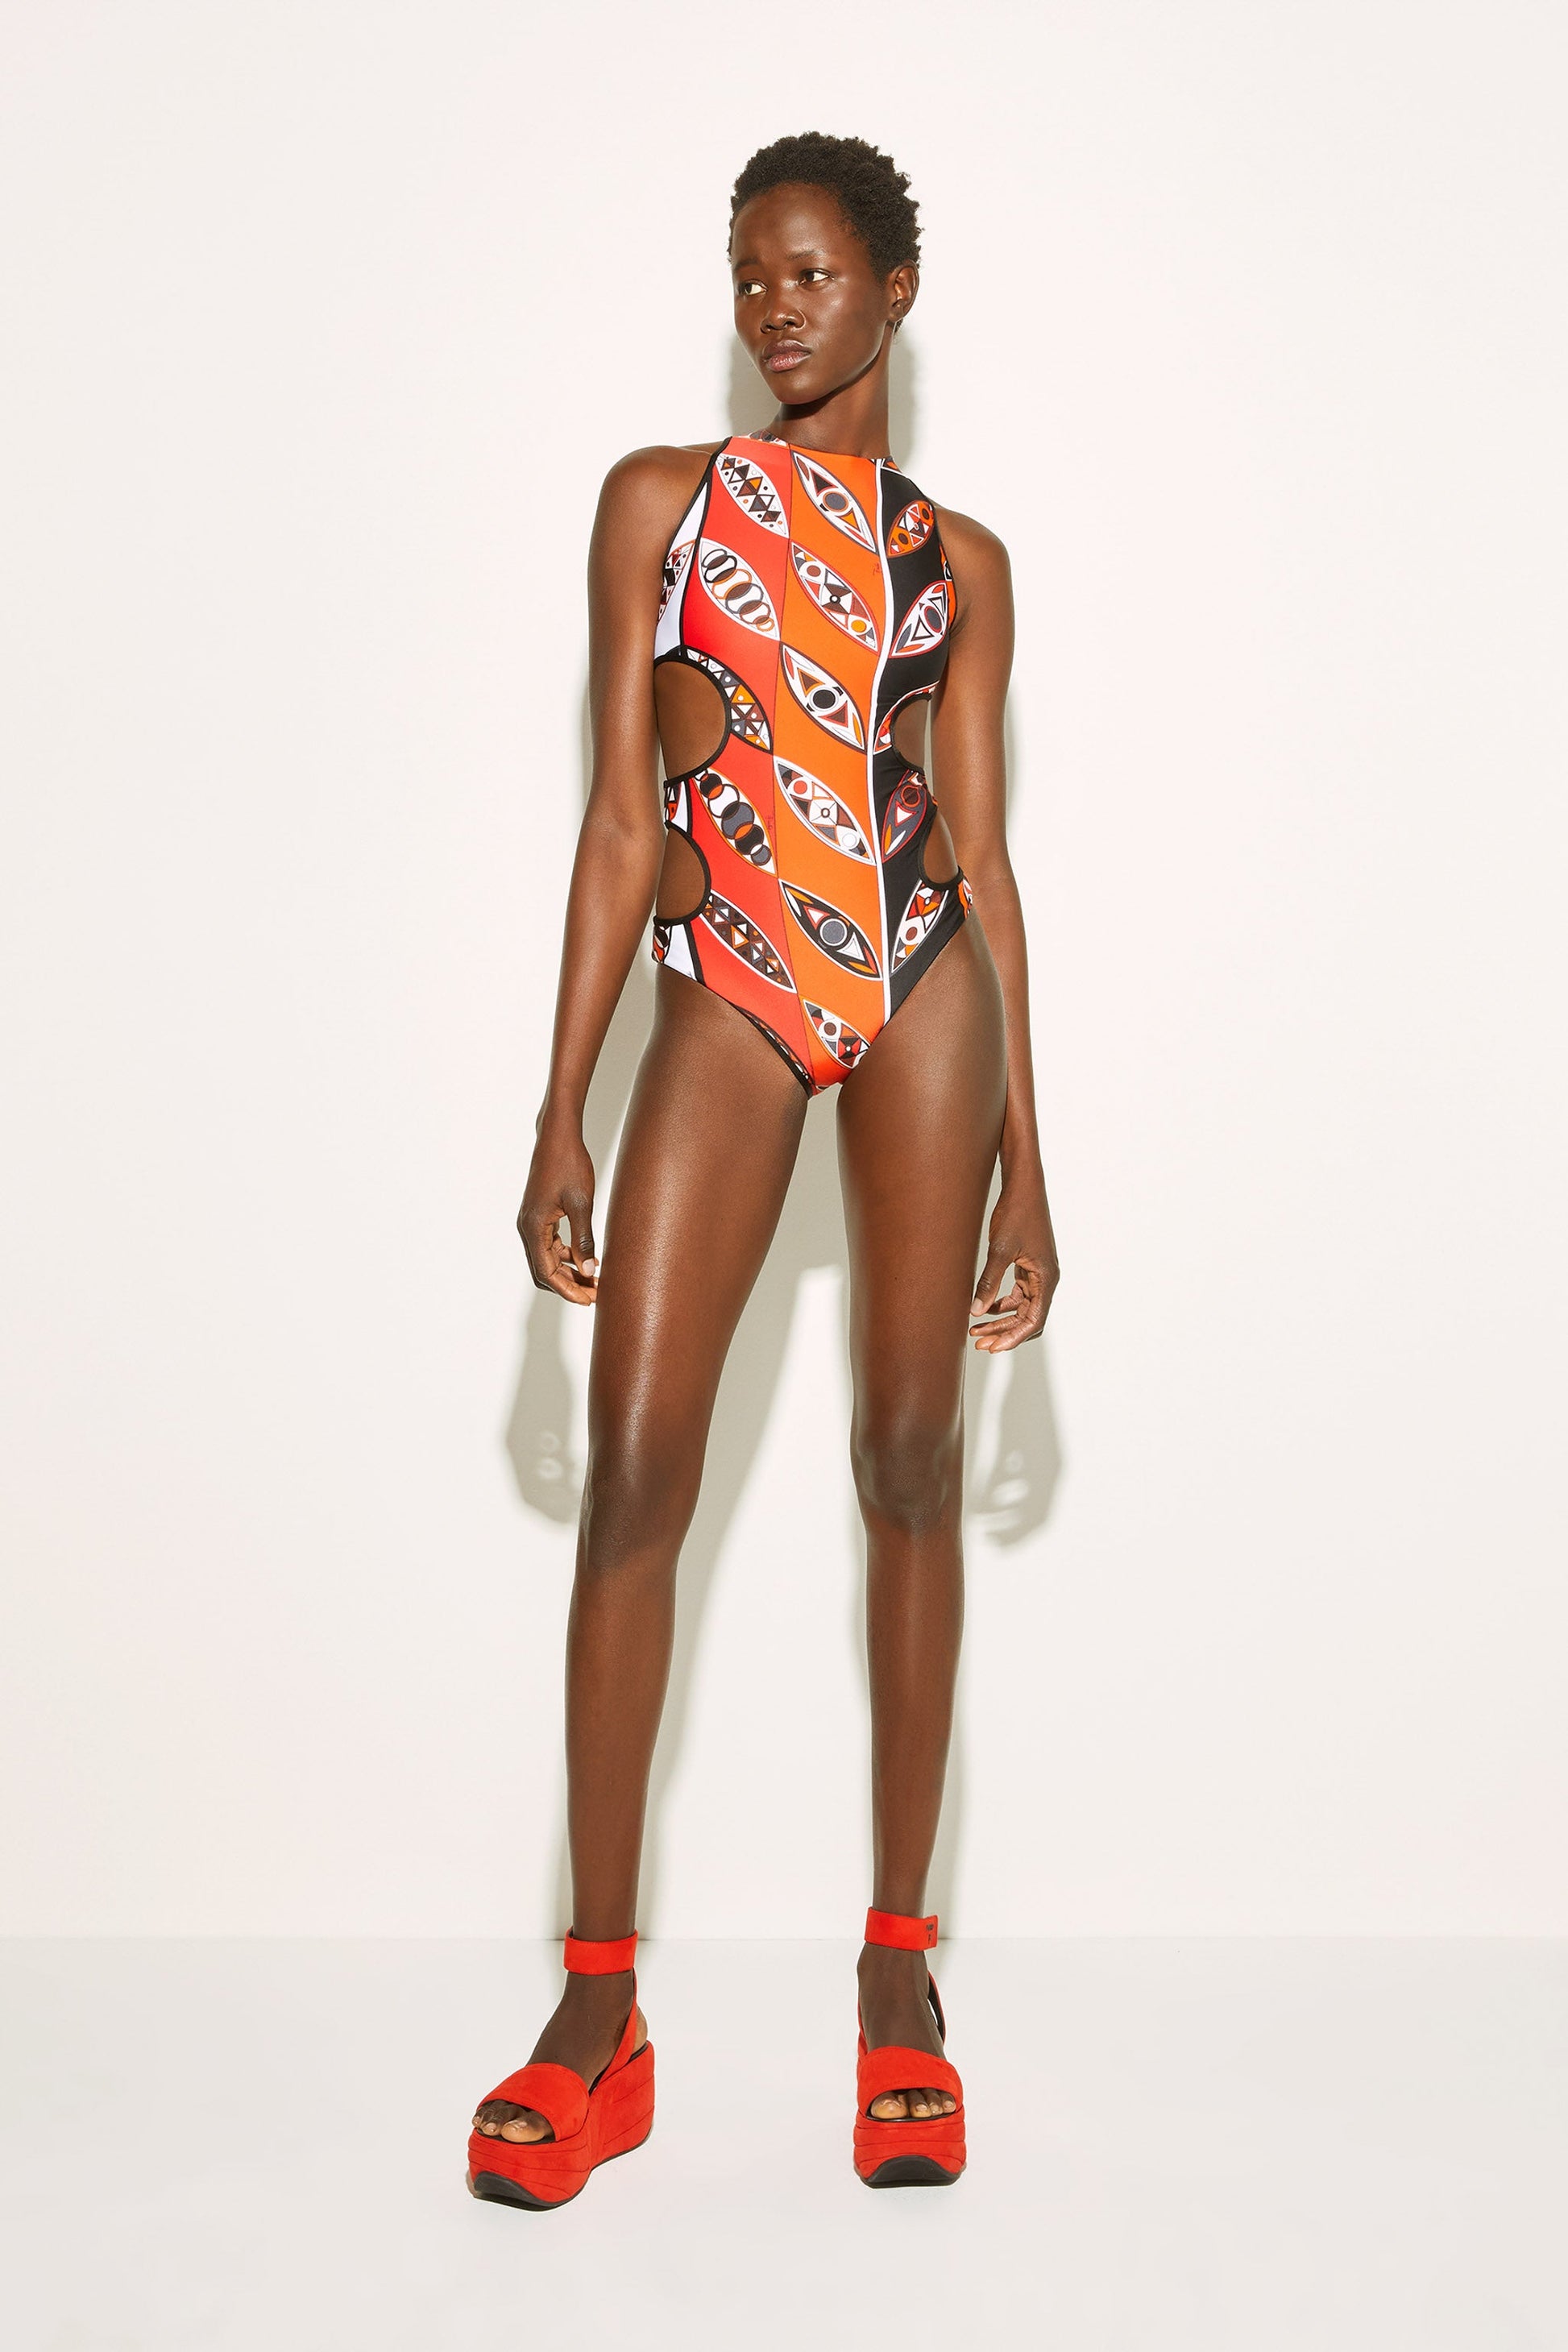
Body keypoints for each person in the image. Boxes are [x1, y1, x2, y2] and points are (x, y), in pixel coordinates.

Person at [467, 131, 1060, 2207]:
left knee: (908, 1460)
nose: (774, 308)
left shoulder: (960, 560)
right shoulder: (663, 503)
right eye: (749, 276)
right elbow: (622, 822)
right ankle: (596, 2010)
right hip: (723, 979)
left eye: (810, 273)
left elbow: (981, 856)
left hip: (924, 984)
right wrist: (563, 1099)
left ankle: (900, 1981)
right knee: (640, 1471)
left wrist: (1034, 1159)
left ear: (895, 289)